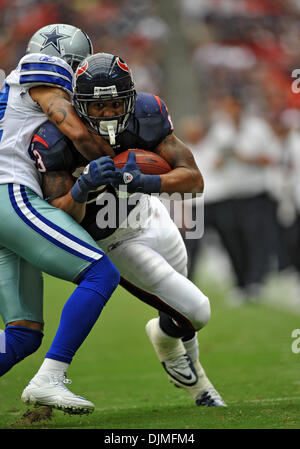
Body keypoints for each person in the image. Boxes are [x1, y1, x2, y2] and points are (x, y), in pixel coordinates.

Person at [27, 52, 227, 407]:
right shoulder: (54, 140)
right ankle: (188, 369)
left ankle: (195, 380)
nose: (108, 114)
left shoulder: (148, 115)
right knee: (197, 311)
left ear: (131, 98)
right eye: (98, 106)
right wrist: (81, 188)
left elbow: (194, 181)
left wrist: (148, 181)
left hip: (150, 215)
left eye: (116, 104)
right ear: (80, 105)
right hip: (113, 241)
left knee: (178, 311)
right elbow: (60, 218)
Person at [0, 25, 120, 415]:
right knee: (101, 274)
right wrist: (116, 157)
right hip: (9, 193)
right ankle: (49, 379)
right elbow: (76, 132)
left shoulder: (12, 90)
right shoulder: (40, 74)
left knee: (22, 334)